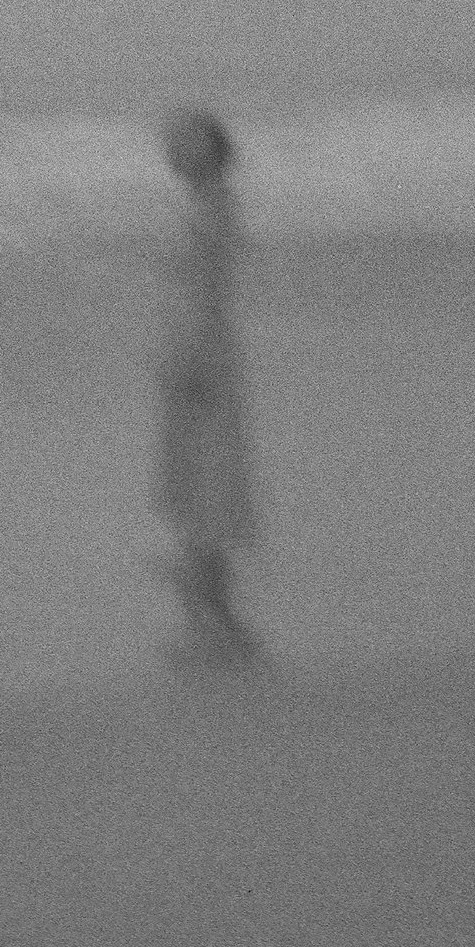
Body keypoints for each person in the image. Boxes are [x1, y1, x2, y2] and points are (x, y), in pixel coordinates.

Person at [152, 106, 261, 666]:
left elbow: (208, 291)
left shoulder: (213, 209)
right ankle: (202, 591)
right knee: (198, 472)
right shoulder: (202, 205)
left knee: (207, 473)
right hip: (194, 347)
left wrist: (190, 359)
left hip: (203, 351)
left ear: (212, 151)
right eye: (172, 137)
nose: (172, 145)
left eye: (186, 139)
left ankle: (205, 595)